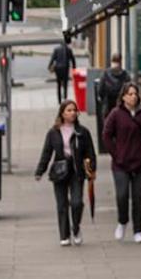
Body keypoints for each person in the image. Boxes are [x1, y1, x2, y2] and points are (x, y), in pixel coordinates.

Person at [102, 82, 141, 243]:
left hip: (140, 162)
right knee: (122, 194)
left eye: (135, 93)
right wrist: (116, 153)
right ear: (124, 96)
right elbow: (106, 135)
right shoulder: (116, 114)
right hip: (121, 163)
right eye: (130, 94)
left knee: (138, 196)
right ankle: (122, 221)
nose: (133, 96)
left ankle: (138, 231)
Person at [34, 100, 96, 247]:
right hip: (60, 171)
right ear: (62, 113)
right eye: (69, 110)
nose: (72, 113)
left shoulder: (82, 132)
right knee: (62, 204)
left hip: (77, 171)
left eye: (74, 110)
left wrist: (91, 170)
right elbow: (47, 153)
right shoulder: (53, 132)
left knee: (76, 203)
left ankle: (76, 228)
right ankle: (64, 234)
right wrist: (40, 171)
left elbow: (90, 153)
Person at [95, 55, 129, 157]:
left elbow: (100, 90)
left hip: (107, 106)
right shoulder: (125, 75)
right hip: (121, 106)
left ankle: (111, 149)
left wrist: (101, 98)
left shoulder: (105, 74)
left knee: (108, 127)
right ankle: (120, 147)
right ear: (121, 61)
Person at [48, 33, 76, 103]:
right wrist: (74, 68)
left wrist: (49, 66)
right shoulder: (68, 49)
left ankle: (59, 100)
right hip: (65, 68)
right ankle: (65, 97)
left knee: (59, 84)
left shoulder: (56, 49)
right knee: (65, 83)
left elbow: (52, 59)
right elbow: (73, 59)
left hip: (58, 68)